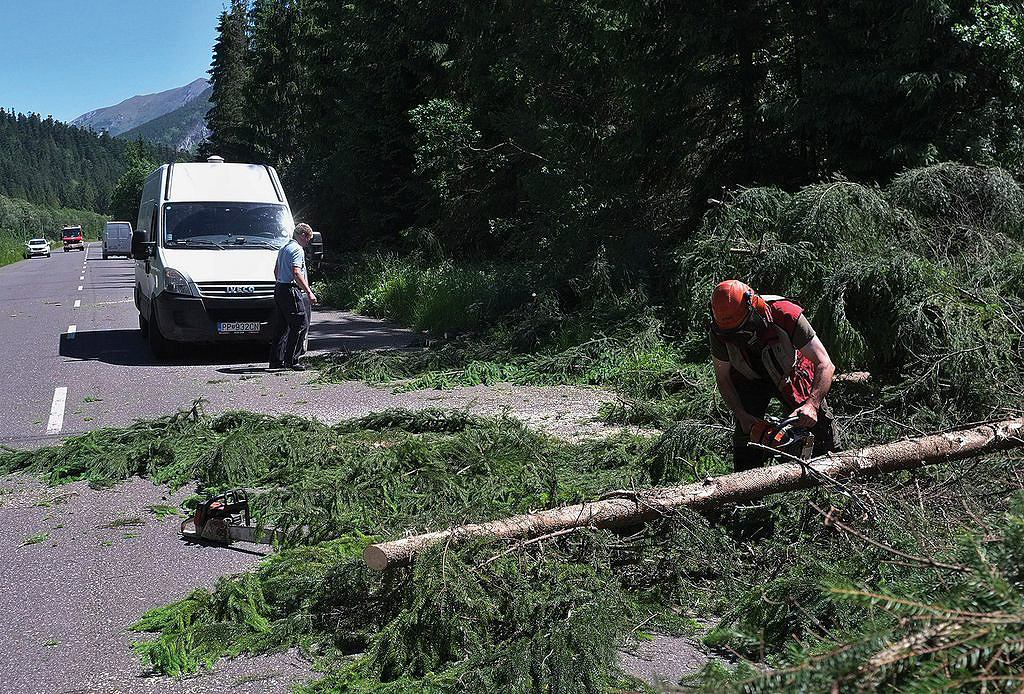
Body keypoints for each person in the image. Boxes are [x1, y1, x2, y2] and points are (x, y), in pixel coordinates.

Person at [709, 280, 840, 471]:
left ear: (753, 307)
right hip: (749, 378)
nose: (738, 336)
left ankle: (836, 475)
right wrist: (742, 415)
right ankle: (748, 492)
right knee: (745, 436)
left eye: (742, 328)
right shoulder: (719, 331)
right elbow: (723, 379)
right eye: (732, 333)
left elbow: (825, 363)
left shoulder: (785, 313)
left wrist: (812, 404)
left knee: (819, 423)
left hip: (789, 372)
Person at [270, 223, 317, 371]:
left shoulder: (283, 248)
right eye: (308, 238)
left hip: (279, 288)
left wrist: (281, 284)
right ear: (302, 235)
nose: (308, 241)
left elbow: (276, 271)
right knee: (300, 323)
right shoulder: (297, 249)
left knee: (282, 326)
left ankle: (276, 360)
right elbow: (296, 272)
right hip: (290, 289)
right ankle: (291, 360)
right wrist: (308, 292)